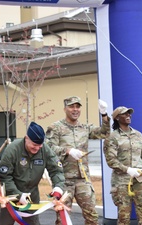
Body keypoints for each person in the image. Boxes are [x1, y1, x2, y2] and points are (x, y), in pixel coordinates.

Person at [45, 96, 110, 225]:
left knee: (92, 216)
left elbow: (104, 133)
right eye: (71, 107)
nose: (75, 110)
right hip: (63, 179)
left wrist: (104, 115)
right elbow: (49, 148)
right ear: (65, 109)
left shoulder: (85, 128)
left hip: (82, 178)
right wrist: (67, 151)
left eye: (77, 107)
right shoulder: (56, 127)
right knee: (62, 217)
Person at [0, 121, 65, 225]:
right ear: (26, 138)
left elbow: (56, 170)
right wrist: (19, 195)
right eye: (34, 145)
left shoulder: (44, 150)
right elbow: (5, 178)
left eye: (40, 146)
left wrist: (58, 187)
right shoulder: (12, 150)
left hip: (31, 200)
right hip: (9, 199)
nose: (37, 149)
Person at [103, 106, 142, 225]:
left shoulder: (138, 135)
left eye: (129, 114)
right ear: (117, 118)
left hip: (140, 179)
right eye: (125, 114)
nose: (128, 116)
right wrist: (127, 169)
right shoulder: (112, 137)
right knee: (124, 216)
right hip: (121, 181)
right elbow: (111, 160)